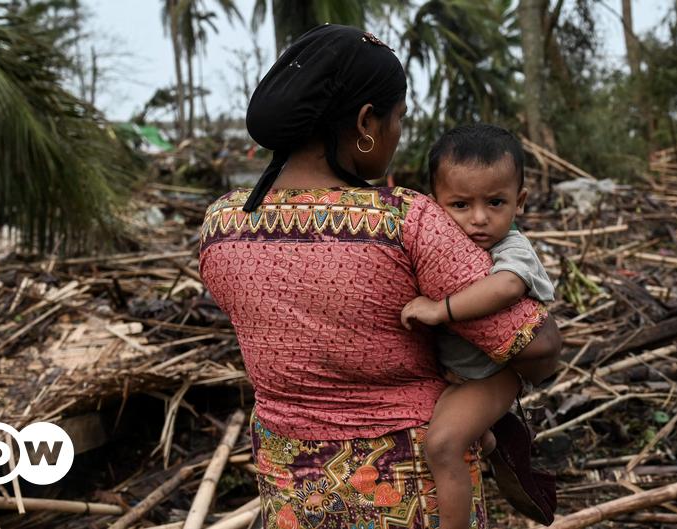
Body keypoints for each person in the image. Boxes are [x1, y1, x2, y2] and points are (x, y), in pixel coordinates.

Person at [198, 24, 561, 529]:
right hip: (408, 495)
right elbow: (536, 346)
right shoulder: (403, 221)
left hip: (292, 493)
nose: (396, 134)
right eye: (397, 119)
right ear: (367, 121)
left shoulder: (222, 224)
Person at [399, 124, 556, 529]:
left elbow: (505, 287)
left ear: (519, 202)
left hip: (493, 375)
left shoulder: (512, 247)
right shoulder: (440, 244)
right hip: (458, 375)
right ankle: (488, 436)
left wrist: (440, 310)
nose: (480, 219)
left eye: (496, 202)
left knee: (443, 445)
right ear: (435, 206)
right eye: (461, 205)